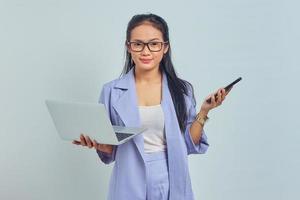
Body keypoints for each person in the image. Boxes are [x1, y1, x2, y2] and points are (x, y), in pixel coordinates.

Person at [72, 13, 228, 200]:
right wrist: (97, 143)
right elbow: (112, 150)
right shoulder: (111, 91)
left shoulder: (181, 90)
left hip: (171, 176)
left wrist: (204, 111)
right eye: (138, 44)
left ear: (165, 47)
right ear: (128, 47)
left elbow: (188, 143)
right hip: (129, 178)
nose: (146, 52)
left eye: (154, 44)